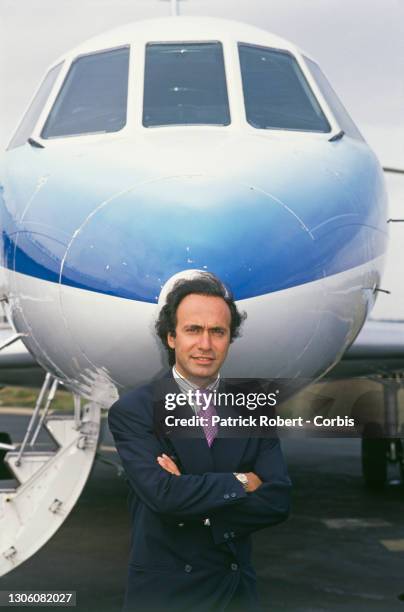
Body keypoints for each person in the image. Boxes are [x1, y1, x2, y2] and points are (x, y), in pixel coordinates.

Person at [108, 272, 291, 612]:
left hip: (236, 593)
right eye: (193, 330)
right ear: (171, 337)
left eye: (217, 332)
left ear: (229, 339)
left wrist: (190, 495)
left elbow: (278, 498)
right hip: (167, 597)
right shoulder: (134, 410)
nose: (205, 344)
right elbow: (163, 498)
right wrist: (242, 481)